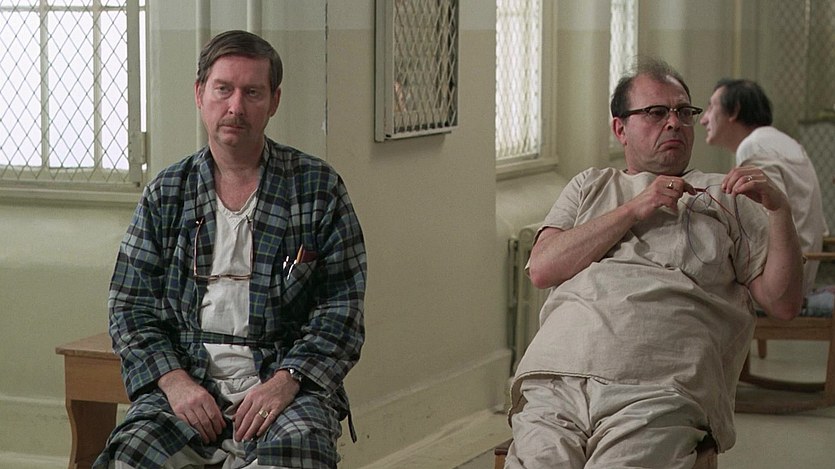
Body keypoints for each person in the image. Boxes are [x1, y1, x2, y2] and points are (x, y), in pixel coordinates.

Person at [503, 58, 803, 469]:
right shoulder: (590, 185)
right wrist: (634, 208)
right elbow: (542, 268)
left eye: (683, 112)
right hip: (558, 376)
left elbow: (783, 303)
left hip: (658, 386)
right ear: (620, 129)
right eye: (656, 112)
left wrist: (780, 210)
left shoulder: (727, 194)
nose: (674, 123)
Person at [94, 30, 367, 469]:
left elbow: (342, 313)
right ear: (200, 94)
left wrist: (286, 381)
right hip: (187, 381)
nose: (235, 107)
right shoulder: (167, 192)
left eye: (252, 93)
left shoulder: (318, 188)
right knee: (131, 454)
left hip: (283, 383)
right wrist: (175, 382)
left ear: (274, 101)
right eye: (223, 89)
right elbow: (130, 307)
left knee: (299, 453)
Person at [701, 78, 827, 294]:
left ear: (735, 110)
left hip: (783, 282)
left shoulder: (753, 147)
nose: (704, 119)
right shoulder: (784, 142)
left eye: (711, 107)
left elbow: (763, 225)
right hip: (802, 273)